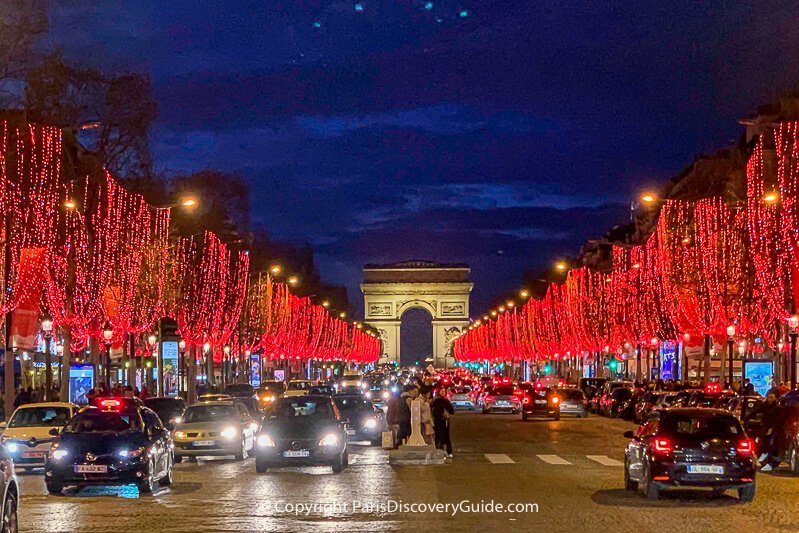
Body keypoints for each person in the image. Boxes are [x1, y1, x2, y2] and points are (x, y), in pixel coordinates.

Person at [747, 393, 781, 472]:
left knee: (771, 446)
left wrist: (772, 429)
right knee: (764, 445)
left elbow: (778, 420)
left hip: (773, 429)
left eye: (772, 398)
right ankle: (763, 459)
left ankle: (769, 463)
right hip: (765, 428)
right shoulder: (764, 406)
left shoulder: (777, 408)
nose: (770, 399)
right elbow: (756, 411)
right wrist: (747, 418)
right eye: (769, 398)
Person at [431, 387, 454, 457]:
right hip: (439, 421)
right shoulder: (437, 401)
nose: (443, 393)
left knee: (443, 436)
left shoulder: (444, 401)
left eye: (444, 391)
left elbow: (451, 411)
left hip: (443, 421)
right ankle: (444, 451)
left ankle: (446, 451)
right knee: (441, 436)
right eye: (442, 391)